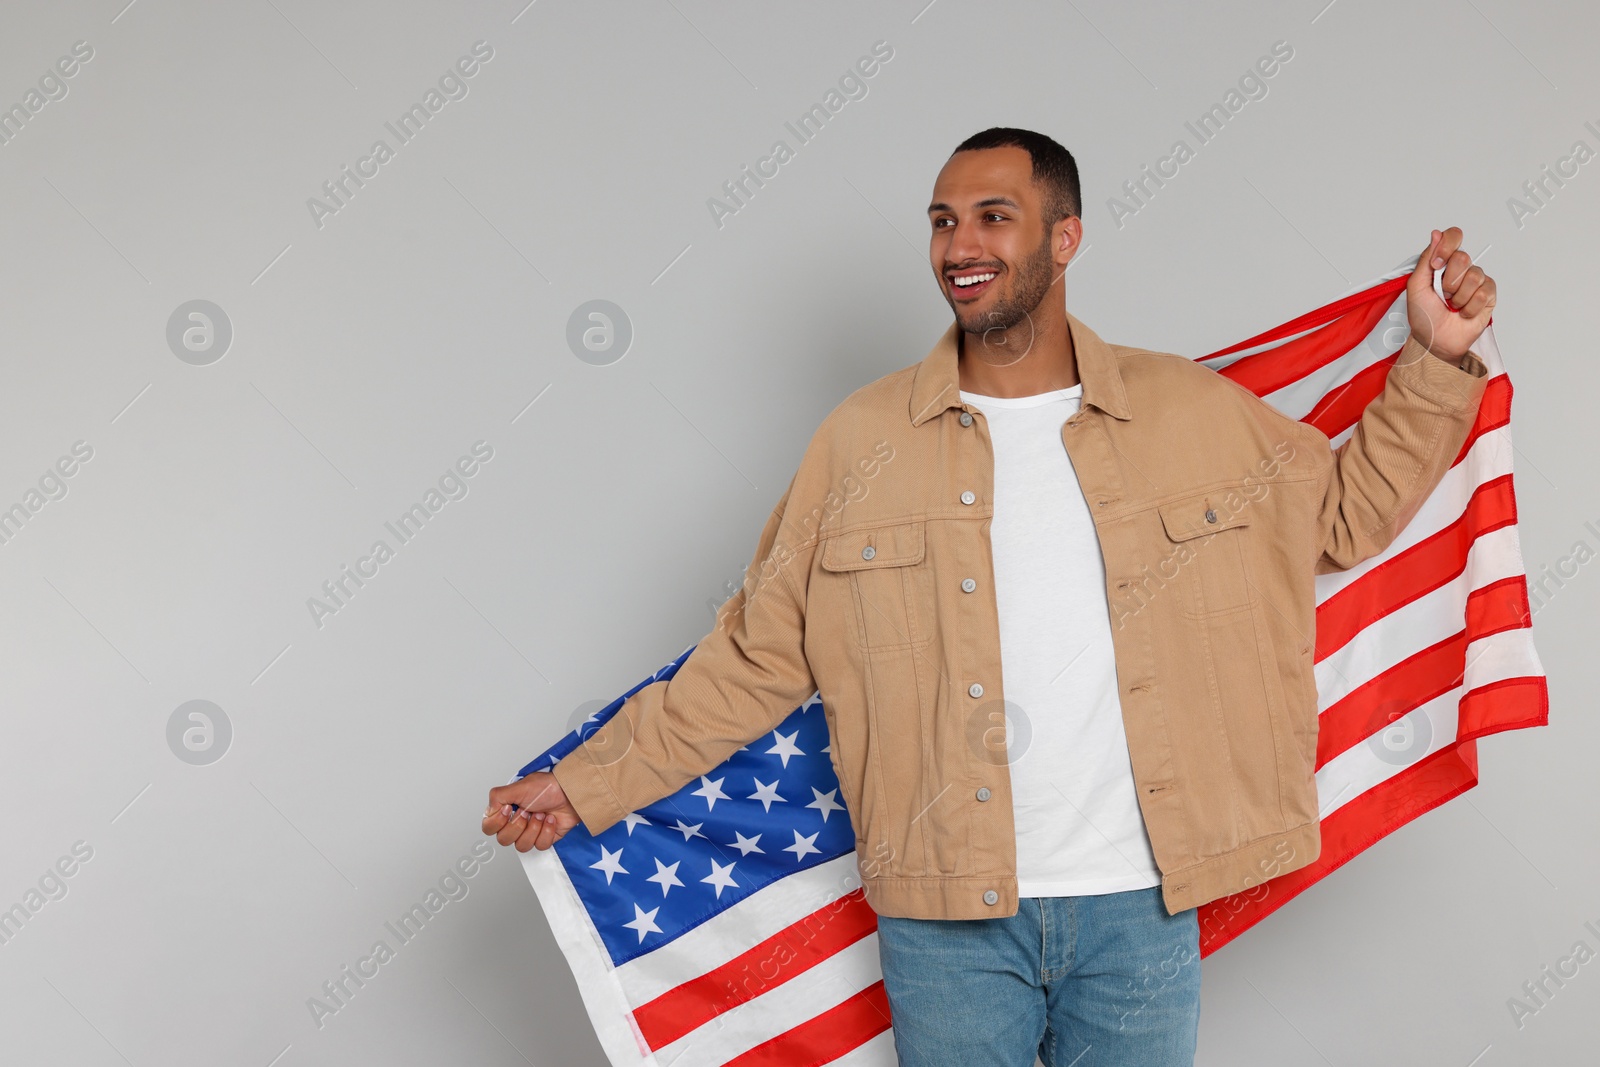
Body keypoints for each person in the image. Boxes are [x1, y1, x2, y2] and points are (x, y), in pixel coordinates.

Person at [482, 127, 1494, 1066]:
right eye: (941, 220)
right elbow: (756, 655)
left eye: (991, 216)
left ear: (1066, 235)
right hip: (947, 919)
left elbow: (1344, 516)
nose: (958, 243)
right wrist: (588, 780)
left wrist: (1435, 359)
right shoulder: (860, 438)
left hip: (1139, 906)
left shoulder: (1189, 411)